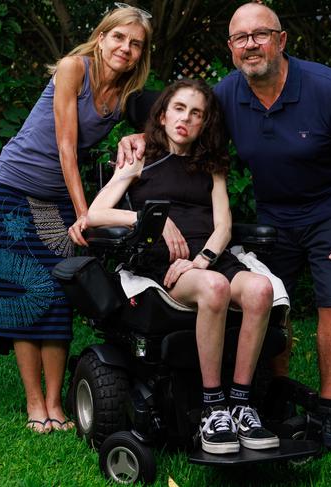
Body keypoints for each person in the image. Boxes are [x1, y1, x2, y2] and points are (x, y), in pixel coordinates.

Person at [117, 1, 331, 450]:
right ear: (231, 48)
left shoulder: (330, 88)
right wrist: (143, 136)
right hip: (274, 213)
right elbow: (183, 116)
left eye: (260, 34)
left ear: (281, 40)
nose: (251, 45)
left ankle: (326, 409)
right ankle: (273, 394)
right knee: (274, 300)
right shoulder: (227, 94)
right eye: (241, 38)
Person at [0, 4, 153, 434]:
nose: (125, 48)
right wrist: (85, 213)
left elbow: (168, 115)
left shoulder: (125, 94)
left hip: (61, 199)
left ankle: (57, 403)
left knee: (57, 296)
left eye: (135, 44)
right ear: (102, 37)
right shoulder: (74, 69)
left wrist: (141, 132)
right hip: (12, 189)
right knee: (22, 293)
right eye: (119, 38)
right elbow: (67, 148)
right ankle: (35, 404)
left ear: (141, 54)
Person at [86, 78, 281, 455]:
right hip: (165, 265)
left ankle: (240, 403)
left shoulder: (211, 164)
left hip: (207, 256)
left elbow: (223, 224)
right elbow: (96, 213)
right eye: (179, 109)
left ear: (204, 123)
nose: (186, 119)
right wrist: (150, 219)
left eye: (196, 114)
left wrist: (203, 258)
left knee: (260, 290)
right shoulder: (140, 158)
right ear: (162, 115)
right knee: (214, 288)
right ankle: (213, 407)